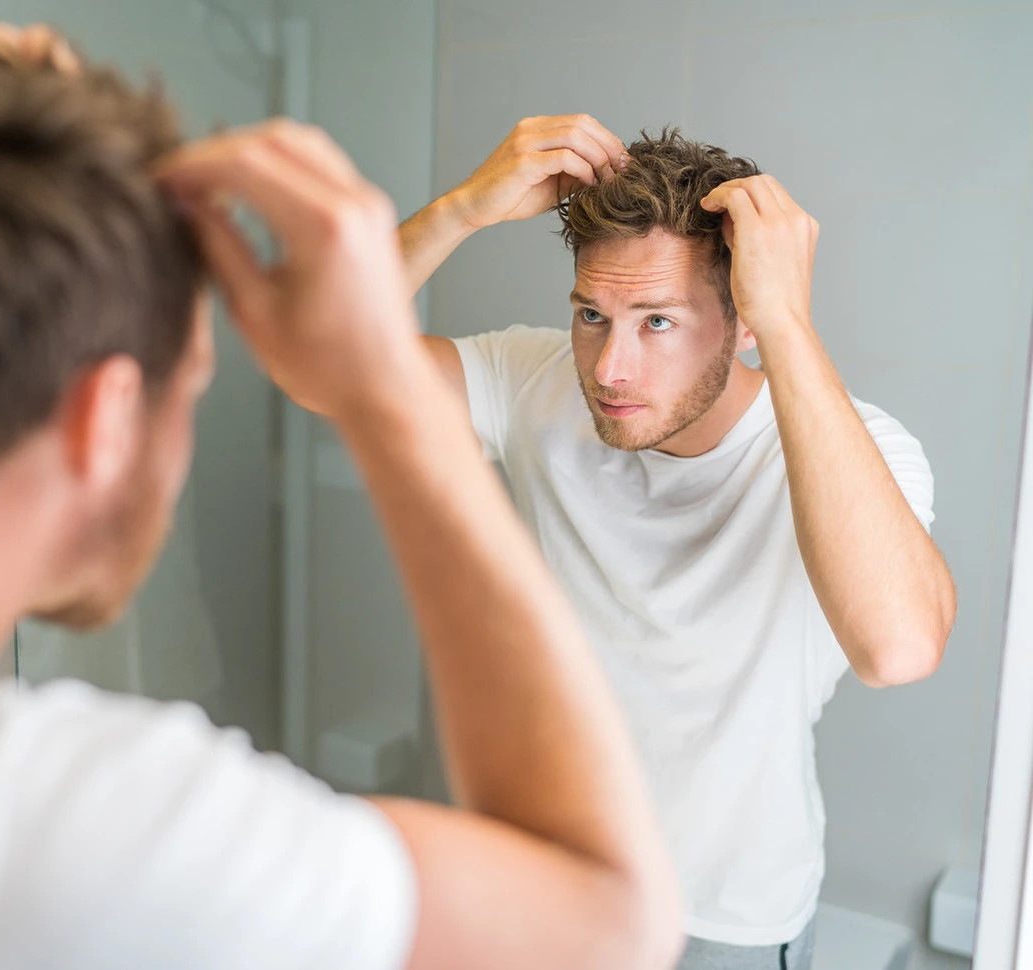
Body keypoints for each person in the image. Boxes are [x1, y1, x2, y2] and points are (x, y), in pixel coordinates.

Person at [0, 27, 683, 970]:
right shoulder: (49, 831)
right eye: (190, 386)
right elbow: (610, 915)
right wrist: (379, 387)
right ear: (103, 417)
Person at [399, 116, 958, 969]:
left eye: (656, 322)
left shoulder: (856, 448)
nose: (610, 369)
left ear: (741, 324)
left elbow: (899, 648)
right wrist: (458, 211)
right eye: (592, 314)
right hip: (547, 888)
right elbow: (314, 361)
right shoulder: (533, 381)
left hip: (722, 923)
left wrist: (789, 325)